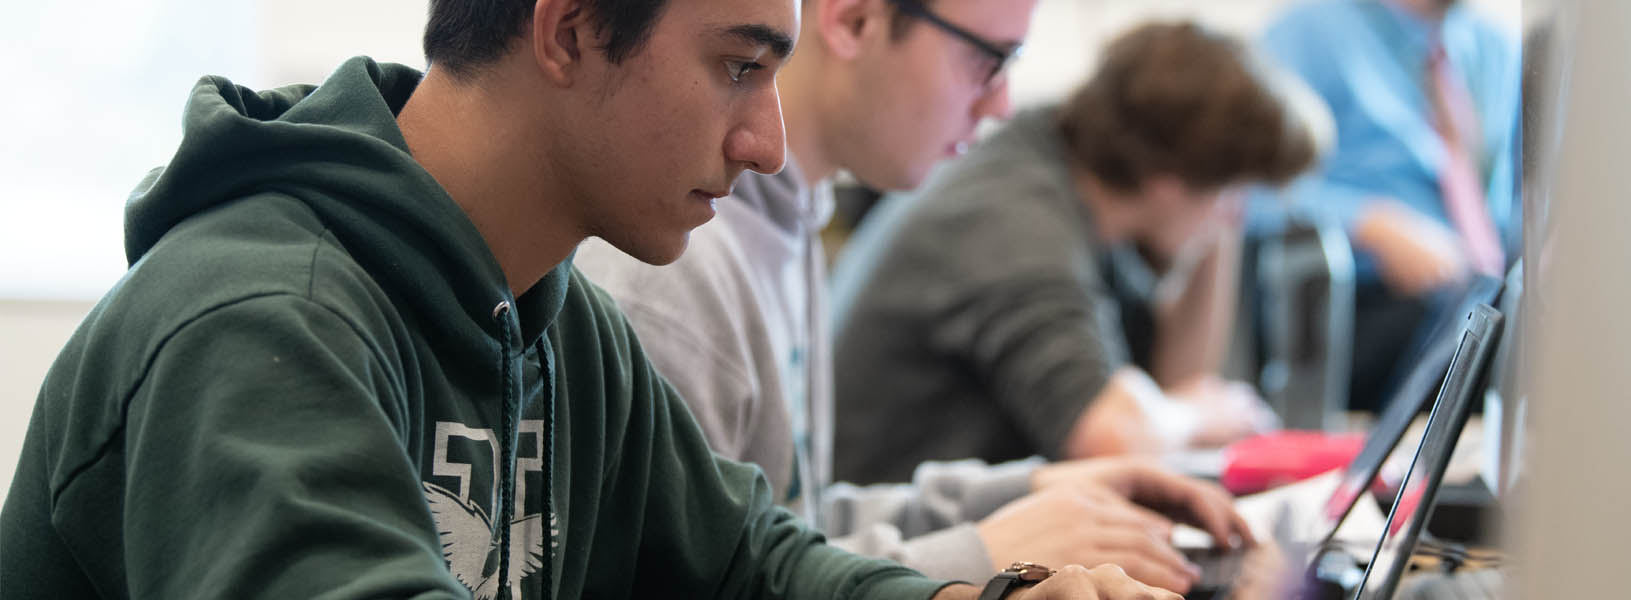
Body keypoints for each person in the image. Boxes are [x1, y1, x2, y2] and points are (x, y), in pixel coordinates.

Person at [0, 0, 1178, 598]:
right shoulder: (259, 321)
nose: (768, 144)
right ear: (567, 30)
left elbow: (751, 567)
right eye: (738, 66)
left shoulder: (560, 324)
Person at [574, 0, 1249, 593]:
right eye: (987, 59)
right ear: (855, 20)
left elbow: (788, 522)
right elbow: (721, 579)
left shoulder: (787, 217)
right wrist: (983, 554)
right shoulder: (679, 261)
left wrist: (1026, 494)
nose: (1001, 105)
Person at [829, 22, 1325, 486]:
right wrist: (1194, 414)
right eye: (1232, 190)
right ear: (1168, 181)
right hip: (891, 526)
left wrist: (1213, 232)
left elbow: (1175, 380)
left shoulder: (1069, 172)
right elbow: (1111, 441)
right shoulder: (1018, 224)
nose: (1233, 215)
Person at [1258, 0, 1520, 410]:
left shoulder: (1496, 48)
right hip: (1369, 302)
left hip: (1480, 292)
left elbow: (1514, 198)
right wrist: (1368, 223)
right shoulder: (1309, 33)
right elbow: (1249, 193)